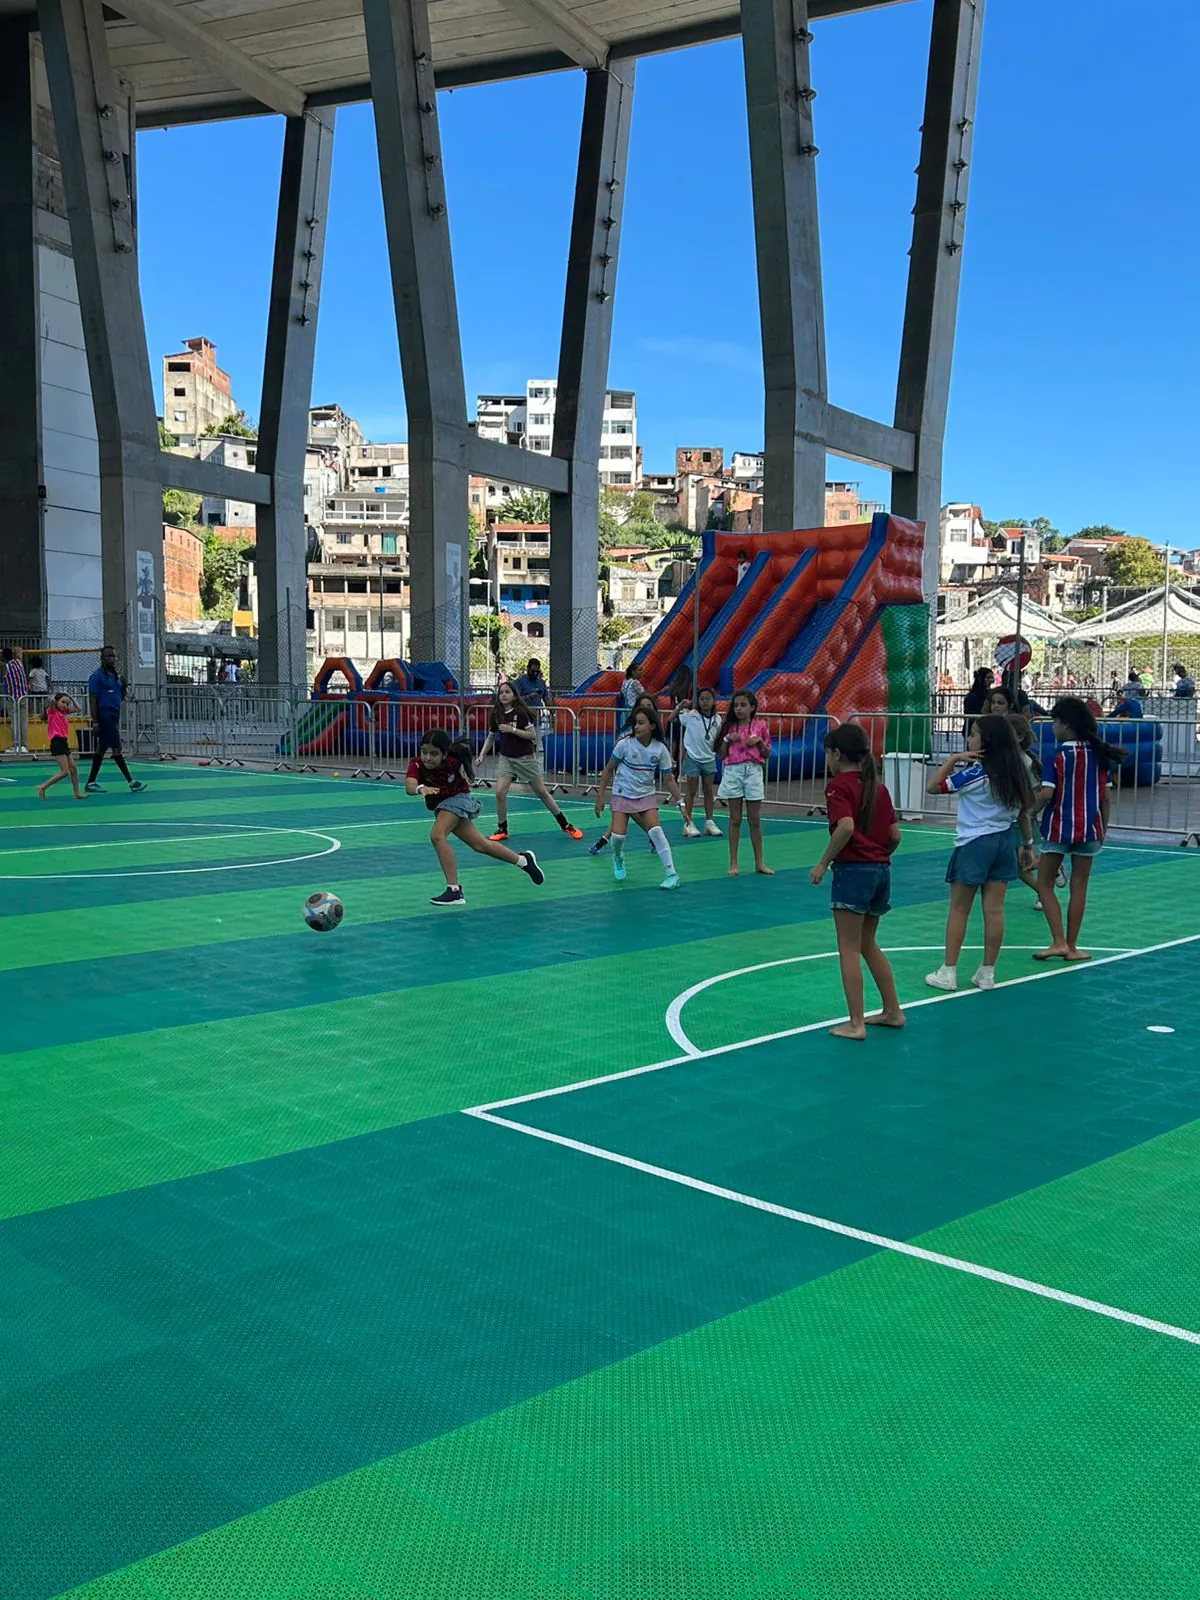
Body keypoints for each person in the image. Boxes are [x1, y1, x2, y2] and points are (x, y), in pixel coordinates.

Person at [924, 714, 1034, 992]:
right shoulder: (1017, 772)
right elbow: (1025, 813)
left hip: (974, 843)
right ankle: (987, 972)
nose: (969, 739)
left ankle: (948, 971)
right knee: (994, 910)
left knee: (959, 908)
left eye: (973, 734)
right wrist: (1028, 844)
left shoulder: (974, 773)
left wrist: (952, 760)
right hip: (1004, 841)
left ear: (986, 741)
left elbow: (933, 787)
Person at [808, 724, 904, 1040]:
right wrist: (877, 856)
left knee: (848, 947)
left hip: (853, 872)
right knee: (867, 943)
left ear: (836, 754)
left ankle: (856, 1022)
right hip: (881, 870)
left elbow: (846, 826)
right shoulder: (879, 789)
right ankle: (892, 1010)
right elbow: (894, 836)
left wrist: (823, 862)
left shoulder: (838, 787)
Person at [406, 728, 544, 907]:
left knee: (437, 835)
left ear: (444, 754)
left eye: (434, 754)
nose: (427, 758)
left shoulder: (452, 762)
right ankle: (523, 860)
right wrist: (420, 788)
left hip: (459, 800)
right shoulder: (416, 764)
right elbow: (410, 786)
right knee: (480, 845)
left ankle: (454, 890)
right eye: (424, 752)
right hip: (443, 806)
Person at [1034, 697, 1125, 963]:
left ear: (1066, 725)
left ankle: (1058, 941)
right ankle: (1073, 946)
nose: (1052, 726)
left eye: (1054, 721)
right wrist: (1103, 828)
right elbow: (1105, 798)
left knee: (1044, 883)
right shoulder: (1099, 755)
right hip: (1090, 828)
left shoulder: (1058, 756)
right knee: (1079, 885)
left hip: (1058, 827)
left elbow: (1047, 793)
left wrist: (1028, 810)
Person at [476, 680, 583, 842]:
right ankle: (502, 828)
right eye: (501, 692)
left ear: (514, 695)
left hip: (525, 758)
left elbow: (532, 735)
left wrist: (512, 730)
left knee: (542, 793)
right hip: (506, 758)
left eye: (507, 692)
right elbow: (491, 736)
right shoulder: (496, 714)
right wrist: (482, 754)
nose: (504, 695)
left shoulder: (521, 713)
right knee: (499, 793)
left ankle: (566, 825)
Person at [594, 705, 683, 889]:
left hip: (646, 795)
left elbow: (669, 778)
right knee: (618, 837)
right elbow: (608, 770)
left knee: (655, 831)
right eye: (635, 723)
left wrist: (681, 803)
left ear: (652, 726)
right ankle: (618, 858)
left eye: (641, 723)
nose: (636, 727)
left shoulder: (660, 749)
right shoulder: (624, 745)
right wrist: (600, 797)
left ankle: (671, 874)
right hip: (622, 794)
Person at [716, 691, 773, 876]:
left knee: (754, 819)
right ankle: (733, 863)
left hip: (753, 770)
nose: (739, 709)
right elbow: (721, 754)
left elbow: (767, 753)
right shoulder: (729, 727)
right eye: (736, 705)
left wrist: (759, 743)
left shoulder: (761, 726)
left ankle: (759, 862)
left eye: (743, 705)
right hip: (733, 770)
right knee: (735, 819)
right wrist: (726, 739)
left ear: (752, 707)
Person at [85, 645, 146, 793]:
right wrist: (95, 722)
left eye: (113, 656)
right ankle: (131, 781)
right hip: (104, 715)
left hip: (114, 714)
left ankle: (91, 782)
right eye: (109, 656)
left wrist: (123, 686)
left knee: (102, 748)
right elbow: (92, 699)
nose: (112, 659)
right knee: (116, 748)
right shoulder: (97, 676)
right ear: (102, 659)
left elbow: (121, 696)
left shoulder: (115, 677)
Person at [1009, 714, 1056, 902]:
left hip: (1020, 820)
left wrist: (1029, 813)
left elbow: (1036, 791)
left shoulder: (1025, 762)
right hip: (1008, 819)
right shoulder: (1003, 759)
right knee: (1017, 865)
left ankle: (1045, 892)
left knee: (1022, 867)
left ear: (1020, 736)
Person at [673, 687, 723, 839]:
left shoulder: (718, 719)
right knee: (691, 791)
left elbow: (718, 738)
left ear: (713, 701)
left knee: (709, 790)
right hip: (693, 758)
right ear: (698, 701)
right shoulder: (691, 715)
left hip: (709, 758)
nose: (705, 702)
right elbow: (671, 718)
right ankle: (688, 823)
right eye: (702, 699)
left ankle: (709, 822)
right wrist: (680, 706)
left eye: (708, 699)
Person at [36, 693, 87, 801]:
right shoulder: (52, 711)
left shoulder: (64, 712)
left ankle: (77, 793)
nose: (65, 705)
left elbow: (79, 708)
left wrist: (71, 697)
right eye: (63, 702)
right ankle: (43, 787)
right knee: (64, 772)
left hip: (63, 742)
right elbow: (51, 702)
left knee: (73, 769)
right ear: (57, 702)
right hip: (57, 742)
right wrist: (53, 699)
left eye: (67, 703)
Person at [3, 646, 29, 752]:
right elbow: (19, 651)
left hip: (12, 698)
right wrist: (17, 651)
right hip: (23, 696)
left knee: (15, 723)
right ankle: (24, 746)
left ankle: (16, 745)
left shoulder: (5, 666)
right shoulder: (18, 663)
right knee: (23, 722)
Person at [963, 667, 993, 739]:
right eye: (988, 677)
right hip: (974, 729)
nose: (991, 680)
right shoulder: (973, 696)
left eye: (992, 677)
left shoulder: (989, 693)